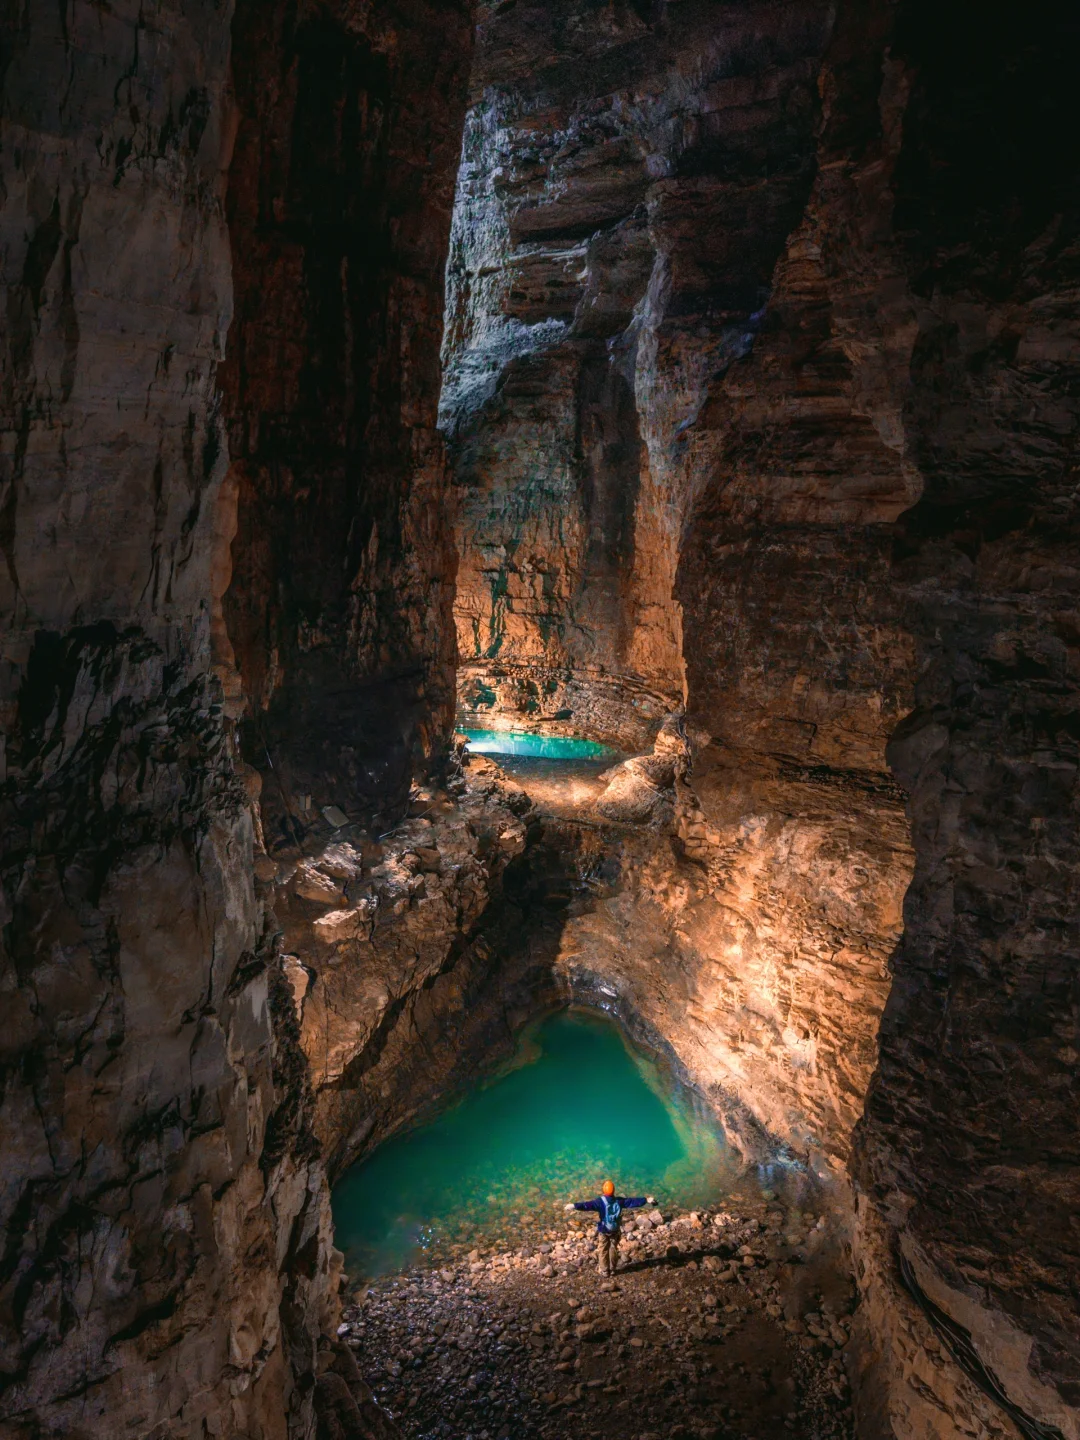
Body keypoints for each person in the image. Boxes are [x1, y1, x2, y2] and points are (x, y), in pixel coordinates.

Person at [564, 1181, 655, 1276]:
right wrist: (646, 1200)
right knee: (613, 1248)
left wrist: (574, 1206)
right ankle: (612, 1269)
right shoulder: (619, 1201)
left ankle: (604, 1270)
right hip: (615, 1229)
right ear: (614, 1190)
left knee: (603, 1249)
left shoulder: (599, 1202)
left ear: (603, 1190)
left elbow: (586, 1205)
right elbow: (632, 1201)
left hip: (604, 1230)